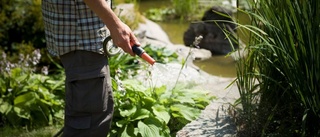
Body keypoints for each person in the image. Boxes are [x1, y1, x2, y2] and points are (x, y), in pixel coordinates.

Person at [41, 0, 140, 136]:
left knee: (87, 118)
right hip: (81, 38)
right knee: (88, 124)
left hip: (79, 36)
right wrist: (114, 24)